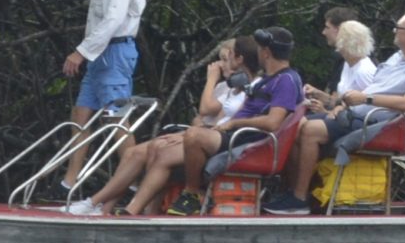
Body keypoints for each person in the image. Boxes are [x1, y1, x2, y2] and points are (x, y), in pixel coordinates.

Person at [266, 8, 405, 215]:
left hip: (379, 124)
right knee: (297, 124)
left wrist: (365, 98)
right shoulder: (397, 58)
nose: (394, 30)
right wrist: (343, 104)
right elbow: (373, 89)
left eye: (399, 28)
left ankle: (299, 198)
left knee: (310, 130)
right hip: (358, 113)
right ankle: (298, 191)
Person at [117, 26, 303, 216]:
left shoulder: (286, 80)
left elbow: (273, 122)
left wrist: (234, 124)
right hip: (234, 134)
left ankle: (191, 194)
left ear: (266, 52)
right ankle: (136, 211)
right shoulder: (268, 80)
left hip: (248, 140)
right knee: (163, 152)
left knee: (195, 136)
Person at [73, 35, 260, 215]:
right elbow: (207, 118)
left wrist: (211, 79)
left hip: (218, 140)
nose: (220, 65)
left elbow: (208, 112)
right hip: (206, 134)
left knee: (159, 150)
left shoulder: (252, 87)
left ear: (238, 60)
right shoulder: (230, 88)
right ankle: (104, 207)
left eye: (225, 60)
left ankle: (120, 206)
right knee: (134, 152)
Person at [31, 0, 145, 190]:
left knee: (117, 118)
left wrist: (79, 53)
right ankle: (69, 181)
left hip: (114, 55)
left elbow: (114, 18)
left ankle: (136, 182)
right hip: (101, 58)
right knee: (81, 113)